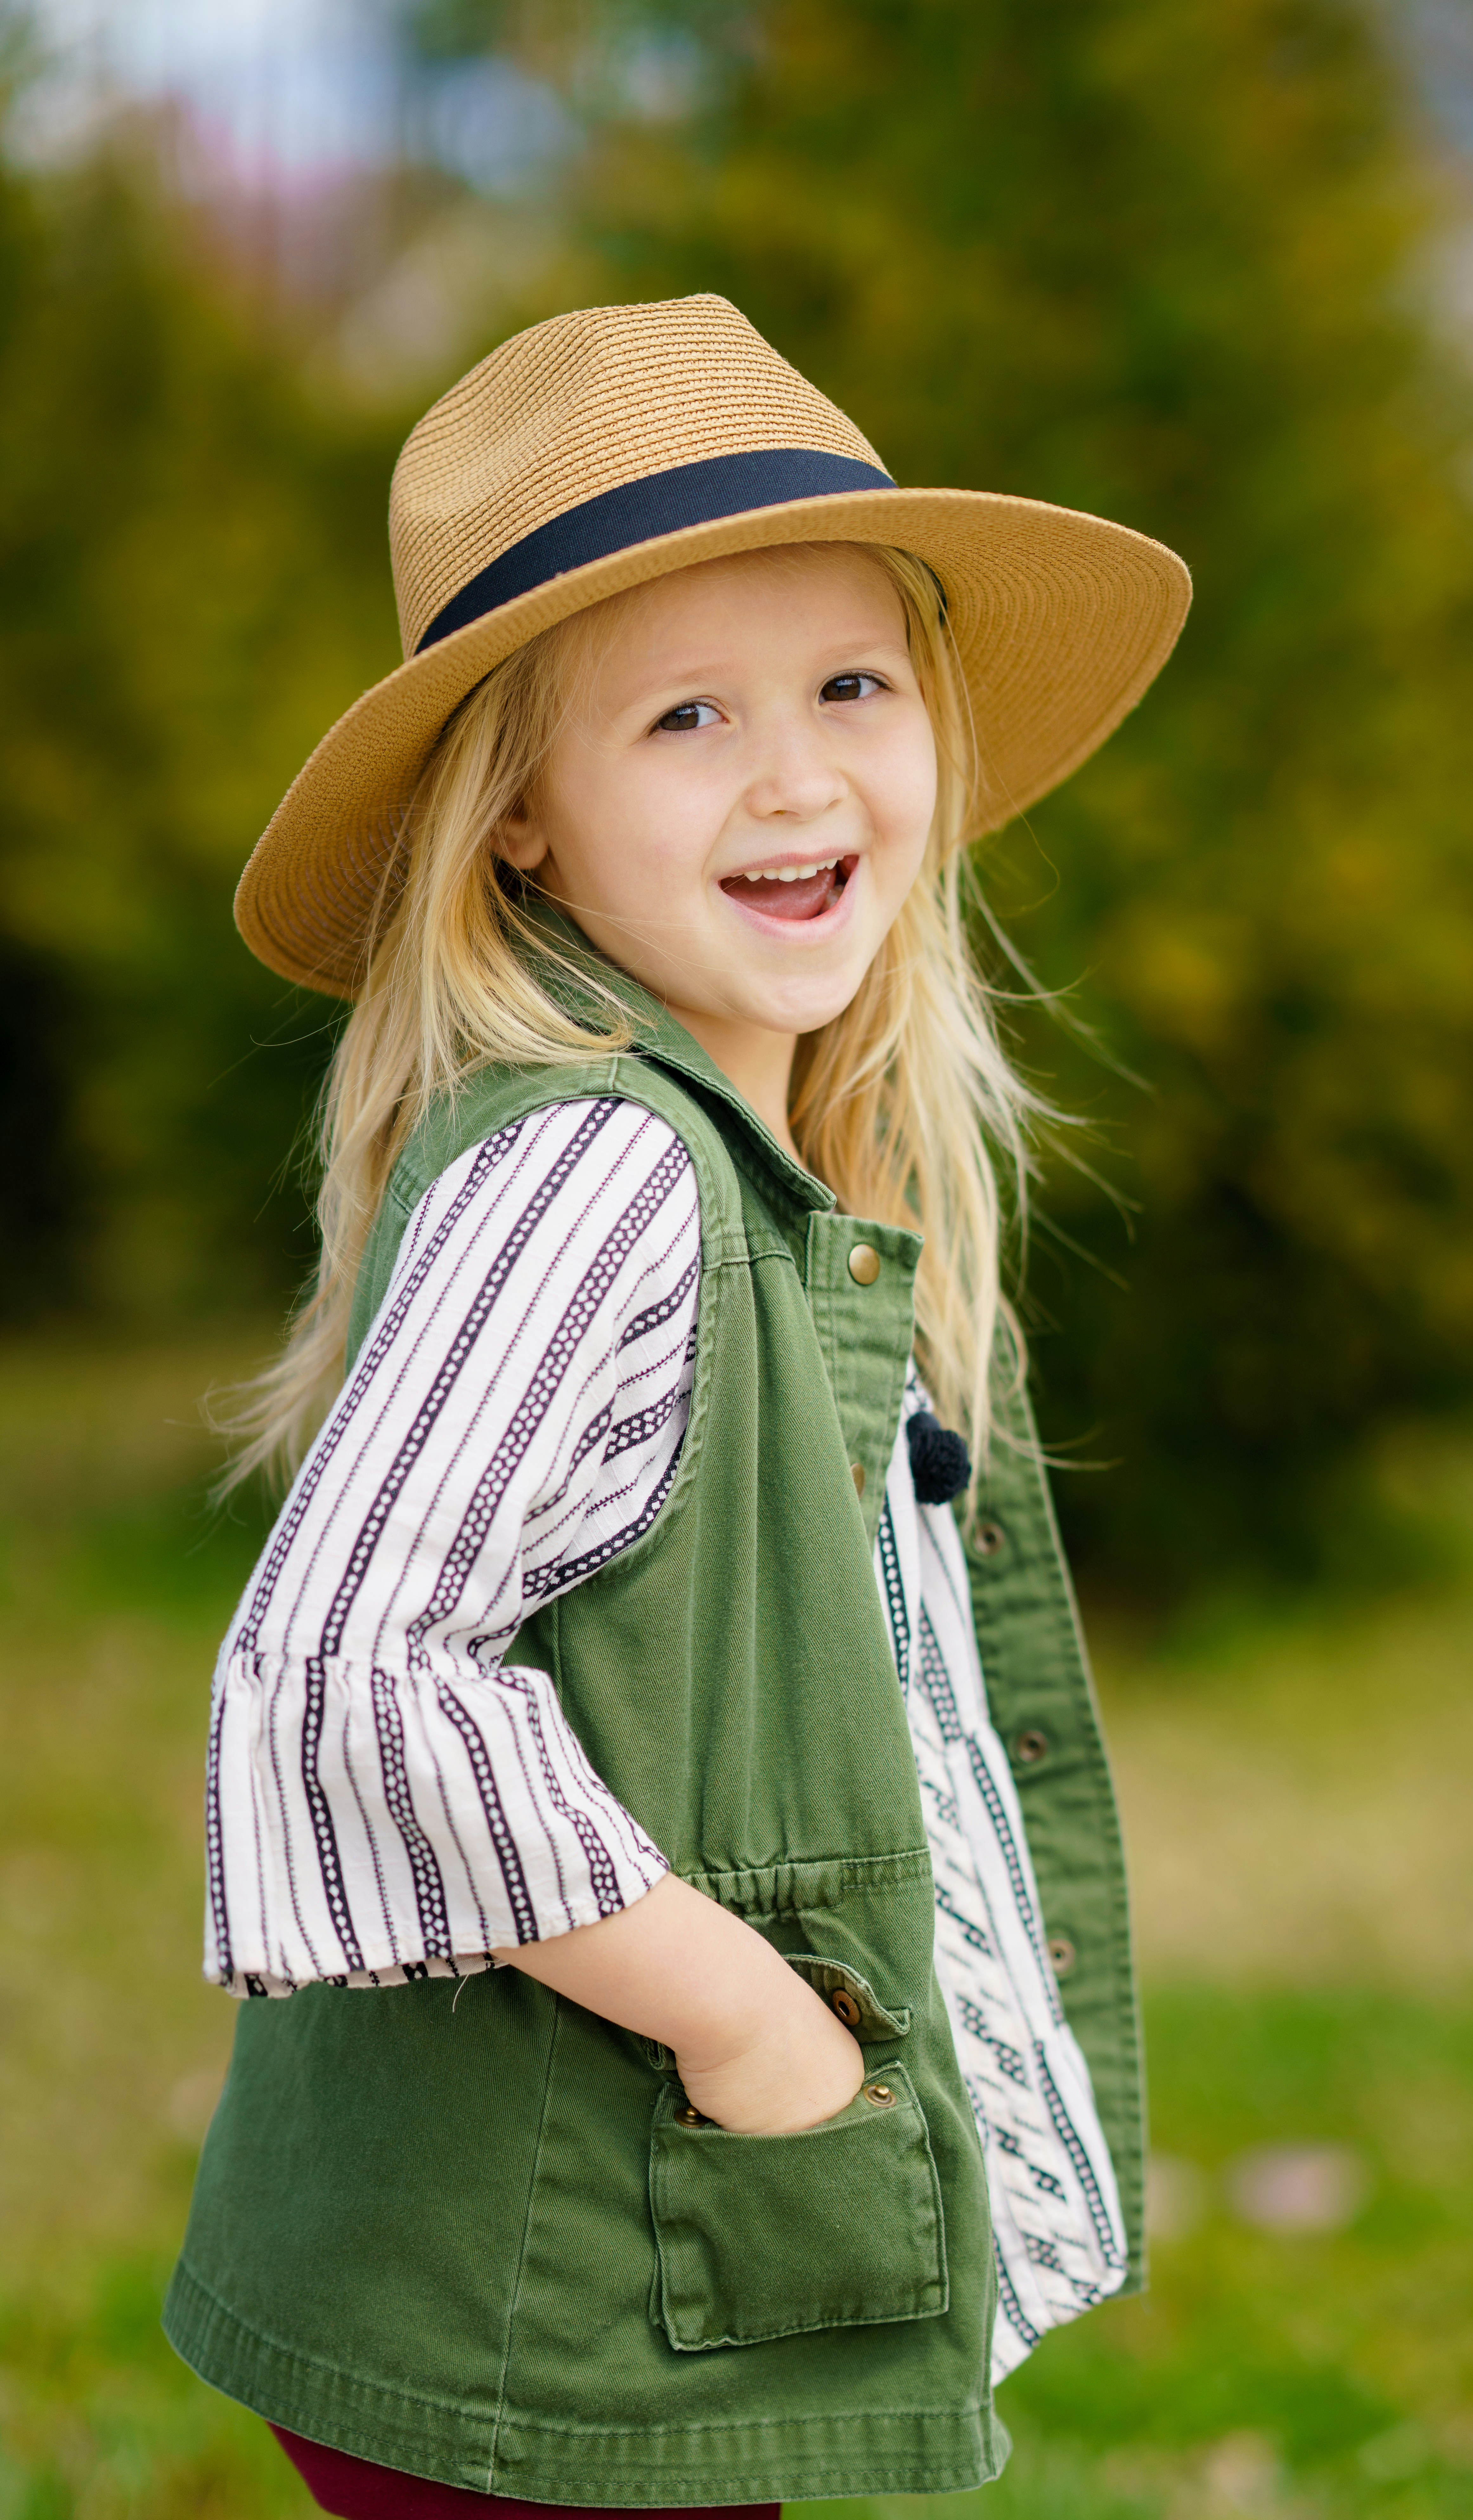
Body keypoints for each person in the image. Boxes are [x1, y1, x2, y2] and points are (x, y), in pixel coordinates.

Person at [163, 292, 1190, 2518]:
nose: (798, 773)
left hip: (601, 2275)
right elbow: (349, 1670)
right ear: (518, 825)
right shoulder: (601, 1168)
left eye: (849, 685)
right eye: (687, 717)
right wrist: (746, 2025)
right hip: (548, 2287)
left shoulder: (760, 1165)